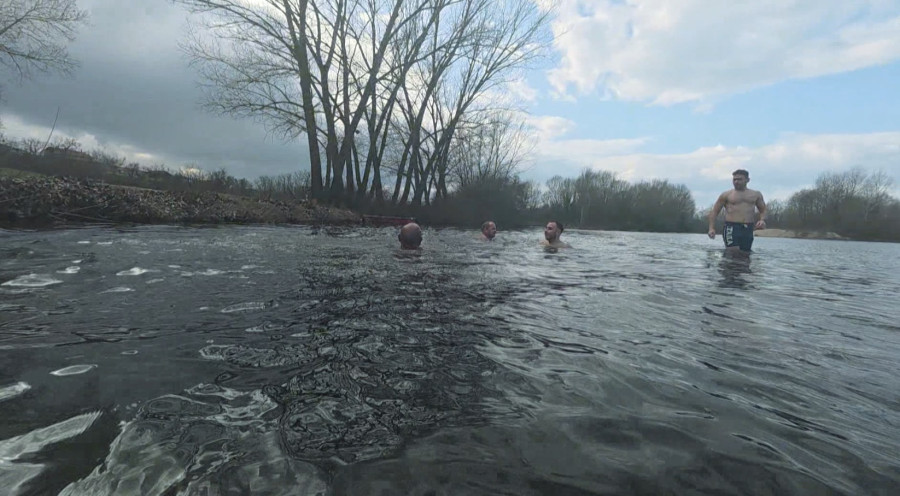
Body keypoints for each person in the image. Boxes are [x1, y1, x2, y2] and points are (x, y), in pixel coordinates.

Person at [708, 169, 767, 253]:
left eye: (739, 179)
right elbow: (714, 212)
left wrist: (762, 220)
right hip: (731, 227)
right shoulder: (726, 194)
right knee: (733, 252)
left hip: (748, 228)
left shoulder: (756, 194)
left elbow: (763, 210)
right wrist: (711, 228)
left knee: (745, 254)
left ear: (747, 180)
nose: (736, 181)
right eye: (734, 179)